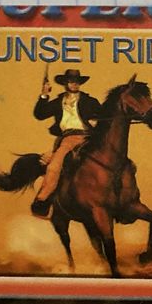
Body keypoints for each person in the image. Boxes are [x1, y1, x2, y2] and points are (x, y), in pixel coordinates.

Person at [30, 68, 102, 218]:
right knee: (54, 167)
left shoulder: (90, 101)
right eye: (71, 81)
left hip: (89, 138)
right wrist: (44, 95)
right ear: (65, 83)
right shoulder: (58, 102)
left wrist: (96, 121)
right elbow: (40, 114)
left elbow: (104, 117)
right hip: (68, 140)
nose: (74, 84)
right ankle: (42, 201)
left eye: (77, 81)